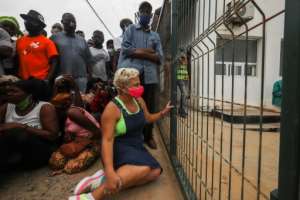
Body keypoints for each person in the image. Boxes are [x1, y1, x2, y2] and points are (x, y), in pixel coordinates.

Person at [69, 68, 172, 200]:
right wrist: (110, 170)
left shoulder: (139, 100)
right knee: (145, 169)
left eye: (139, 83)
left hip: (136, 146)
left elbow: (147, 118)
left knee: (155, 172)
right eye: (136, 85)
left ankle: (101, 179)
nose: (140, 87)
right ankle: (90, 197)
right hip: (118, 147)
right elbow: (106, 140)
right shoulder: (112, 109)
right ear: (123, 88)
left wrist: (163, 113)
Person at [118, 1, 163, 149]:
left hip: (150, 77)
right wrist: (149, 52)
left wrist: (139, 52)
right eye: (142, 10)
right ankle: (134, 137)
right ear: (139, 13)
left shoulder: (155, 35)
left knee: (149, 107)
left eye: (147, 11)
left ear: (150, 15)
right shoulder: (130, 29)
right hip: (133, 77)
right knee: (132, 106)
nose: (145, 13)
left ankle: (148, 136)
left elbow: (159, 57)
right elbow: (126, 50)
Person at [0, 78, 59, 171]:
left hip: (39, 153)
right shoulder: (7, 106)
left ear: (29, 95)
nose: (9, 93)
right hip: (15, 154)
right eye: (8, 91)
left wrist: (21, 126)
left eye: (14, 91)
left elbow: (52, 135)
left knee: (19, 134)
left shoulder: (44, 107)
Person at [49, 81, 101, 174]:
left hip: (91, 142)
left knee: (71, 168)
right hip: (76, 142)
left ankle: (93, 151)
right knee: (55, 163)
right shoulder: (61, 115)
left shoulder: (72, 112)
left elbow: (97, 132)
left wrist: (84, 144)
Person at [51, 13, 93, 92]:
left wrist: (90, 75)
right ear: (62, 22)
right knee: (62, 102)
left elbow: (88, 59)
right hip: (62, 80)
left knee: (80, 102)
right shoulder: (54, 38)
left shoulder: (82, 40)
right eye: (68, 21)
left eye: (73, 22)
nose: (71, 24)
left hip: (81, 80)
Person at [16, 10, 59, 82]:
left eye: (31, 20)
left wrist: (47, 80)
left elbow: (55, 62)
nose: (27, 22)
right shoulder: (19, 41)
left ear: (40, 25)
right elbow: (17, 60)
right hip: (23, 81)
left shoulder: (48, 42)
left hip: (40, 82)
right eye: (26, 20)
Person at [177, 51, 189, 117]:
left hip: (183, 78)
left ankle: (181, 110)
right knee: (184, 94)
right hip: (179, 78)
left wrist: (187, 77)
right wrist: (182, 58)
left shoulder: (184, 61)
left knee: (183, 95)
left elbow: (185, 67)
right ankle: (182, 111)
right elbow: (181, 61)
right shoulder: (179, 59)